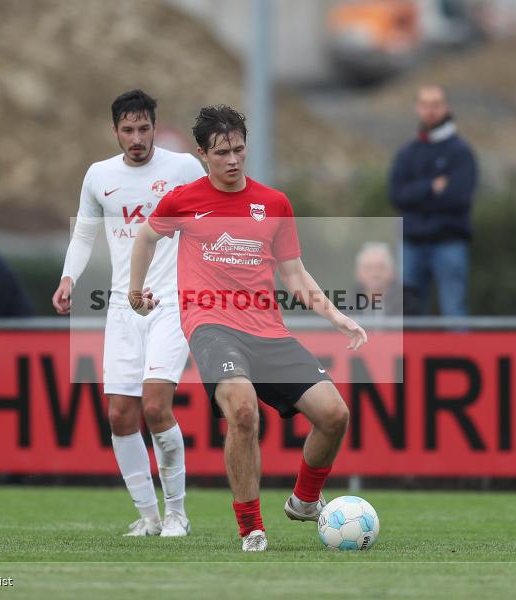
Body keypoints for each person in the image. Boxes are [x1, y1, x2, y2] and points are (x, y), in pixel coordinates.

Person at [129, 105, 366, 551]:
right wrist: (135, 290)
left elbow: (294, 274)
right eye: (222, 152)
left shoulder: (274, 203)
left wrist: (335, 315)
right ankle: (251, 527)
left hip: (267, 331)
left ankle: (305, 501)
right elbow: (145, 237)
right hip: (210, 325)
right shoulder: (184, 200)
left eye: (239, 149)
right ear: (202, 154)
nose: (233, 159)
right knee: (242, 411)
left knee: (335, 415)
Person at [51, 90, 206, 537]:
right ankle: (150, 517)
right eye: (128, 129)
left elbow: (213, 217)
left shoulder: (182, 168)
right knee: (120, 414)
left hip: (173, 303)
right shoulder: (99, 175)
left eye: (144, 128)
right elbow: (83, 235)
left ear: (155, 128)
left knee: (156, 406)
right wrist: (68, 279)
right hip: (123, 307)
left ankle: (178, 512)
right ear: (115, 130)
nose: (136, 138)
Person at [389, 85, 477, 316]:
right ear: (417, 108)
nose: (431, 111)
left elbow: (458, 197)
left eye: (436, 105)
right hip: (412, 243)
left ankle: (459, 353)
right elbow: (397, 195)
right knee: (407, 311)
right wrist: (431, 187)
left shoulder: (460, 152)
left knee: (453, 309)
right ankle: (410, 355)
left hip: (449, 241)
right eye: (425, 105)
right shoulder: (408, 152)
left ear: (446, 107)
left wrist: (416, 196)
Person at [353, 242, 401, 316]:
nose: (374, 274)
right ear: (358, 273)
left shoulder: (407, 304)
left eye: (381, 267)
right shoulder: (346, 305)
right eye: (368, 268)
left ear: (392, 271)